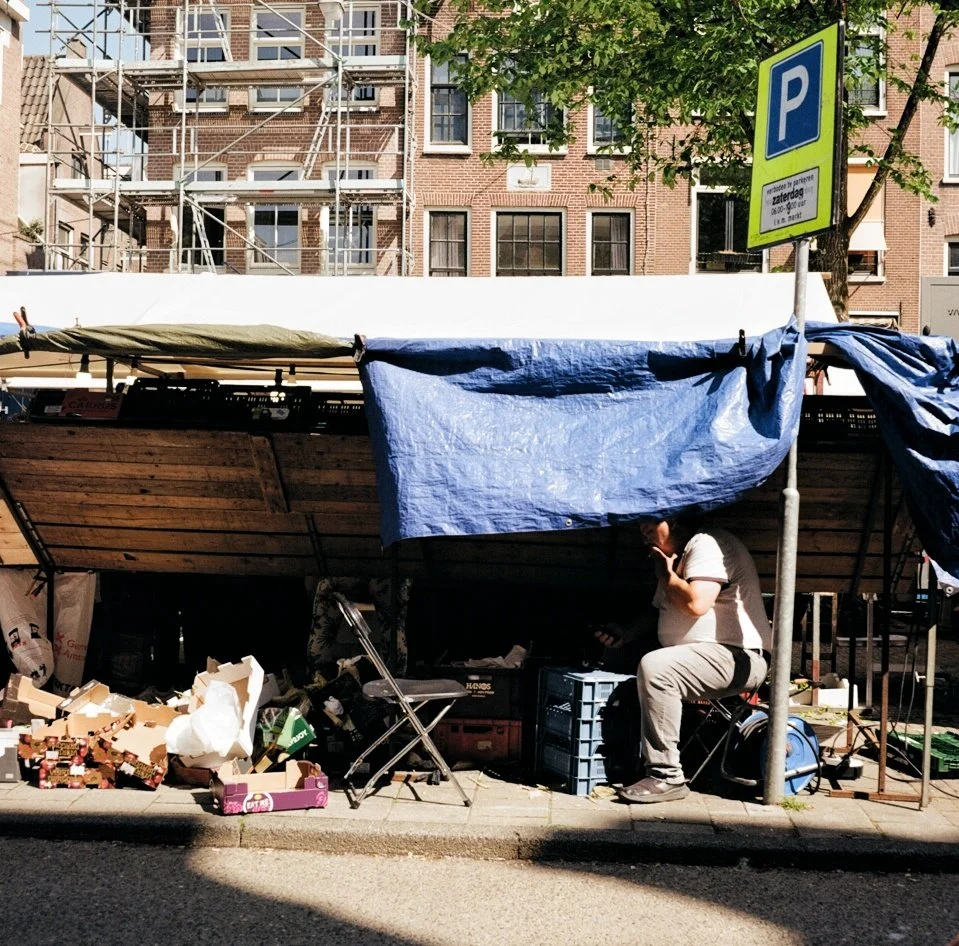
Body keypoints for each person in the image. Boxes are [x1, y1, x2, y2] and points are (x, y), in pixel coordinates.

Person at [597, 518, 771, 804]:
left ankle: (666, 777)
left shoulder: (707, 543)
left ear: (675, 520)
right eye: (640, 525)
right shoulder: (675, 560)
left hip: (739, 658)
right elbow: (660, 612)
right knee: (619, 662)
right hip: (704, 658)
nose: (642, 529)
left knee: (658, 668)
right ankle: (623, 763)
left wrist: (666, 575)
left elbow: (695, 604)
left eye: (651, 523)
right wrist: (626, 634)